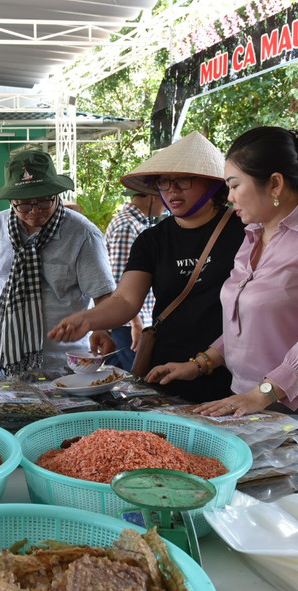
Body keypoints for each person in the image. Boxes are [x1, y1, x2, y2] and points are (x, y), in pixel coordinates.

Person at [146, 127, 298, 487]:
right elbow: (243, 321)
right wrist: (200, 364)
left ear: (275, 184)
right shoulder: (252, 236)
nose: (229, 198)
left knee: (297, 523)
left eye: (234, 185)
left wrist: (263, 393)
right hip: (250, 404)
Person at [48, 131, 245, 402]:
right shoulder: (152, 239)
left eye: (183, 180)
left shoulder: (245, 230)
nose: (172, 190)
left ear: (212, 184)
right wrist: (89, 319)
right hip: (168, 371)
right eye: (164, 182)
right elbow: (126, 299)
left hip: (235, 373)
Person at [0, 149, 114, 375]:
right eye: (24, 205)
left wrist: (102, 328)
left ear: (56, 194)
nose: (35, 212)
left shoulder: (82, 234)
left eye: (44, 202)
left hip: (66, 363)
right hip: (8, 358)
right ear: (11, 201)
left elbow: (103, 293)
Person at [103, 189, 165, 371]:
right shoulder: (128, 225)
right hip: (127, 323)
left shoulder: (135, 223)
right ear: (153, 196)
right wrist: (135, 323)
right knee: (139, 381)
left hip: (130, 320)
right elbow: (119, 279)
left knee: (117, 380)